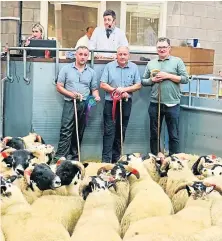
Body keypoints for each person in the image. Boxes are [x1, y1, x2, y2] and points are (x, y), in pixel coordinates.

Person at [142, 37, 189, 156]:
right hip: (155, 103)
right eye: (159, 47)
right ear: (156, 49)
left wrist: (168, 76)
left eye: (164, 47)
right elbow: (143, 81)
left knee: (173, 134)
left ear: (169, 48)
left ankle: (174, 160)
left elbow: (185, 79)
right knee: (154, 134)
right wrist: (152, 80)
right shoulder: (151, 63)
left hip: (172, 104)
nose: (161, 49)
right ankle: (156, 159)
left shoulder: (177, 61)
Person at [55, 46, 101, 161]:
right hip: (70, 103)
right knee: (66, 130)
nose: (83, 57)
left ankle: (74, 158)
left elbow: (94, 89)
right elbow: (59, 86)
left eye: (85, 55)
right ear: (76, 55)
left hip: (84, 104)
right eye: (80, 54)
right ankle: (60, 158)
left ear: (88, 57)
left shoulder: (91, 72)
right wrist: (71, 94)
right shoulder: (66, 69)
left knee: (79, 131)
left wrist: (96, 96)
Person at [100, 46, 141, 163]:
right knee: (109, 131)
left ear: (129, 55)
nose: (122, 57)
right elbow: (103, 84)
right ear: (116, 55)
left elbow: (138, 85)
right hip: (110, 103)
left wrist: (125, 90)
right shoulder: (109, 66)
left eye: (125, 54)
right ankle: (106, 161)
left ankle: (116, 159)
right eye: (120, 54)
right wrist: (116, 91)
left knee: (121, 130)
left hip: (126, 102)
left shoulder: (134, 67)